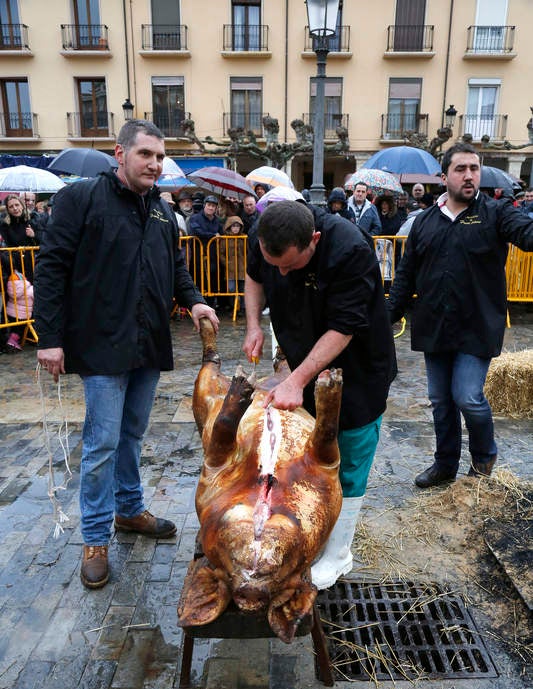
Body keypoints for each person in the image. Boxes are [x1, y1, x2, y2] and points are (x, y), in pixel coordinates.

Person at [33, 119, 219, 589]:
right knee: (101, 444)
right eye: (145, 156)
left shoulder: (160, 211)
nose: (154, 165)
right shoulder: (80, 200)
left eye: (159, 158)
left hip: (149, 341)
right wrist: (48, 337)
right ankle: (95, 537)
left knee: (133, 434)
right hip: (100, 342)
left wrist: (194, 298)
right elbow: (51, 268)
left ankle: (129, 510)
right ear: (120, 154)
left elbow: (175, 266)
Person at [243, 200, 397, 590]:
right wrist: (252, 326)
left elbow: (344, 328)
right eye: (274, 262)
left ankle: (340, 552)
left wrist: (296, 381)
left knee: (348, 453)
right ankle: (316, 528)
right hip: (302, 352)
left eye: (290, 266)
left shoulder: (350, 251)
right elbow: (254, 277)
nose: (281, 272)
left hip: (359, 366)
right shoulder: (264, 234)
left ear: (313, 240)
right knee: (310, 456)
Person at [387, 142, 533, 489]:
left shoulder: (497, 213)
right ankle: (445, 464)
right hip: (435, 325)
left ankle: (484, 457)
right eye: (461, 169)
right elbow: (406, 275)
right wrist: (385, 317)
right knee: (440, 400)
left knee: (467, 395)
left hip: (477, 325)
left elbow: (527, 235)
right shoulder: (423, 222)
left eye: (474, 168)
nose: (469, 176)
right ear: (444, 176)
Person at [0, 194, 40, 281]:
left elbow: (43, 240)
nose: (15, 208)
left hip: (33, 264)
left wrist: (34, 235)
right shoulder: (5, 225)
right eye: (11, 206)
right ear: (8, 210)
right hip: (14, 266)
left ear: (22, 206)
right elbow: (5, 247)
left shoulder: (33, 220)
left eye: (17, 205)